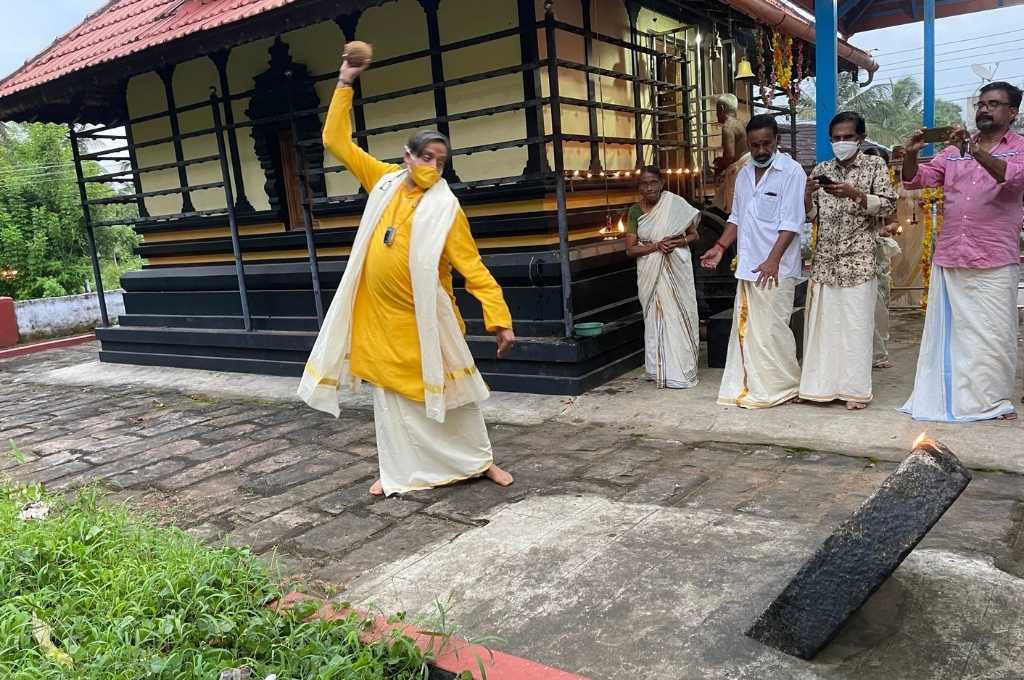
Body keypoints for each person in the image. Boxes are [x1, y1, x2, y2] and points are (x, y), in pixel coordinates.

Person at [298, 50, 517, 495]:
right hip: (384, 322)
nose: (434, 167)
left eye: (441, 161)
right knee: (394, 405)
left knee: (456, 400)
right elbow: (336, 142)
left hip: (429, 322)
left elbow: (471, 265)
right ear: (408, 156)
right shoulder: (381, 180)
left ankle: (480, 462)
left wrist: (499, 316)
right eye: (428, 158)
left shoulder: (446, 208)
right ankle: (398, 473)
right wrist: (345, 83)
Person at [900, 81, 1024, 422]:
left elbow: (1011, 179)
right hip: (953, 253)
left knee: (994, 334)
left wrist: (974, 151)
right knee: (954, 334)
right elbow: (917, 179)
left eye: (994, 104)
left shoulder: (1018, 148)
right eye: (981, 103)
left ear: (1012, 113)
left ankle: (993, 401)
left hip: (995, 256)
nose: (984, 109)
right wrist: (910, 154)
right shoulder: (952, 151)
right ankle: (955, 396)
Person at [700, 114, 806, 408]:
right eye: (755, 145)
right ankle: (754, 385)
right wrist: (720, 247)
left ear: (777, 142)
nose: (760, 150)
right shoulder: (745, 173)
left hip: (777, 269)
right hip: (748, 266)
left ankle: (784, 386)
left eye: (766, 144)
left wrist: (773, 260)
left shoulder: (792, 172)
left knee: (772, 329)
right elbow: (736, 217)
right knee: (750, 329)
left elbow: (792, 223)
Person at [799, 113, 898, 410]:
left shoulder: (874, 165)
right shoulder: (822, 168)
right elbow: (811, 216)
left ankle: (854, 391)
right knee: (825, 328)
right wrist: (807, 194)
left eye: (847, 137)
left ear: (860, 138)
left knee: (856, 326)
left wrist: (855, 194)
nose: (841, 143)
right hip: (825, 261)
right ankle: (821, 388)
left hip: (858, 259)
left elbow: (890, 204)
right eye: (836, 138)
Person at [624, 167, 702, 388]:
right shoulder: (635, 212)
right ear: (639, 187)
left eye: (653, 182)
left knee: (678, 315)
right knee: (656, 319)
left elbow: (694, 234)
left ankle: (681, 370)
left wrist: (677, 242)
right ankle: (658, 369)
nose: (649, 188)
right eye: (644, 184)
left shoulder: (674, 204)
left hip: (676, 268)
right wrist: (656, 246)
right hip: (651, 270)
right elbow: (630, 250)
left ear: (662, 183)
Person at [861, 145, 903, 369]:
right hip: (853, 256)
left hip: (877, 253)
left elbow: (895, 222)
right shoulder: (848, 188)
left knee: (879, 304)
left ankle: (878, 353)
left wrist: (887, 230)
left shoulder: (887, 193)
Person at [712, 93, 750, 215]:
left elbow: (730, 156)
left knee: (732, 208)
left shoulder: (728, 127)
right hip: (745, 166)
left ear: (721, 109)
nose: (716, 114)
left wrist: (719, 166)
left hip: (738, 170)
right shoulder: (740, 124)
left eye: (716, 110)